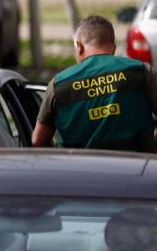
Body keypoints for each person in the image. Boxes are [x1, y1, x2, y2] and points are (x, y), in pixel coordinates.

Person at [32, 15, 157, 150]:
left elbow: (38, 141)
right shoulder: (142, 71)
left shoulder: (58, 85)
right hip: (137, 162)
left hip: (79, 163)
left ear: (79, 47)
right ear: (114, 48)